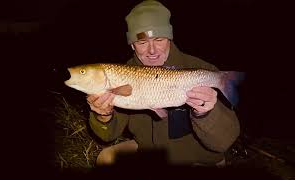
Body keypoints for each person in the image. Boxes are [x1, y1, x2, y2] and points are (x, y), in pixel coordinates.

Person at [86, 0, 240, 167]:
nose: (152, 51)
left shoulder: (202, 70)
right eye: (142, 42)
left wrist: (205, 114)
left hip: (197, 160)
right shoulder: (124, 74)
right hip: (151, 152)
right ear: (132, 45)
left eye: (159, 39)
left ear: (169, 38)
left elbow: (225, 142)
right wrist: (103, 115)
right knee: (107, 159)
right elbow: (107, 136)